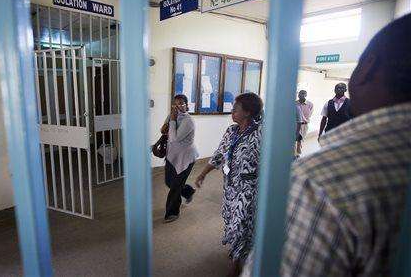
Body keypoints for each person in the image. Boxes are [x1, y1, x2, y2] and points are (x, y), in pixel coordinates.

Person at [279, 14, 411, 276]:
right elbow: (325, 119)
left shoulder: (320, 181)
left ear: (366, 69)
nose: (341, 91)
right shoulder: (328, 106)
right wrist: (323, 136)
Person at [195, 93, 263, 277]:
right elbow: (219, 155)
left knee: (241, 223)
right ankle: (238, 250)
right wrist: (202, 174)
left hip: (249, 189)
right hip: (230, 187)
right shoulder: (231, 131)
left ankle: (237, 263)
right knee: (231, 219)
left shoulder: (260, 133)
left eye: (236, 108)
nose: (232, 111)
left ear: (248, 112)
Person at [160, 94, 199, 223]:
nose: (178, 106)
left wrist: (172, 120)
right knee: (169, 182)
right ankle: (188, 191)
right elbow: (163, 130)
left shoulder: (188, 120)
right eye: (175, 104)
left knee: (175, 186)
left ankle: (172, 212)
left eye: (181, 103)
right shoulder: (172, 115)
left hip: (186, 158)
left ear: (187, 105)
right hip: (172, 156)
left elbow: (174, 138)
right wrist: (169, 120)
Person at [295, 90, 313, 156]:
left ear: (306, 95)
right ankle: (297, 153)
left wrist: (305, 120)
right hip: (296, 124)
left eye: (303, 94)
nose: (300, 95)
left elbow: (310, 114)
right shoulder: (295, 103)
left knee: (302, 138)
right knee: (297, 138)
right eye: (299, 94)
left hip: (305, 125)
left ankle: (299, 148)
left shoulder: (310, 104)